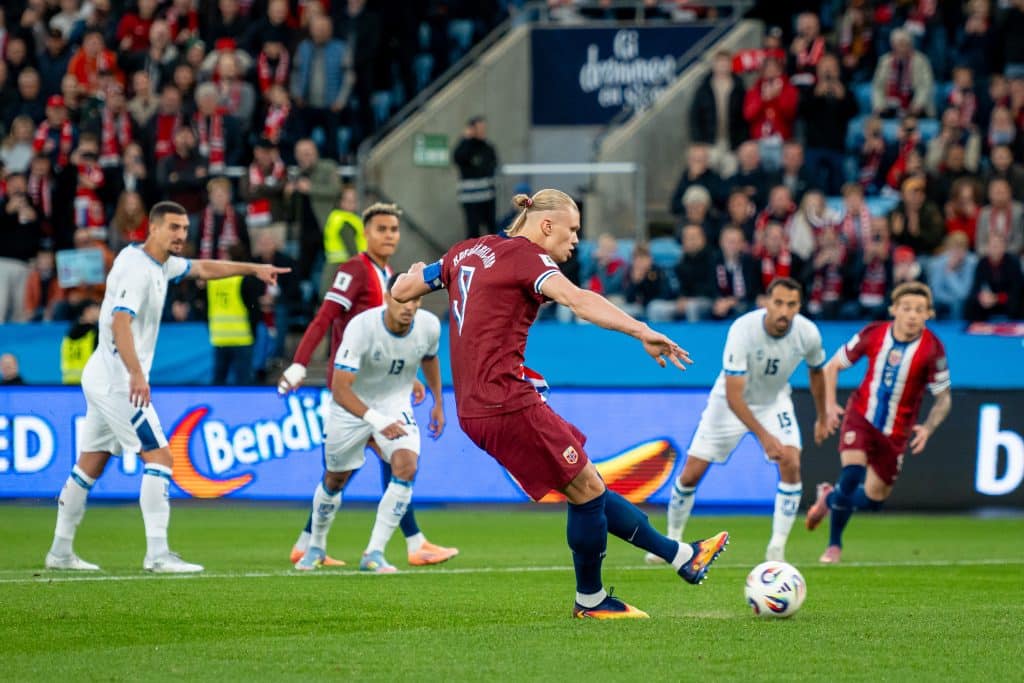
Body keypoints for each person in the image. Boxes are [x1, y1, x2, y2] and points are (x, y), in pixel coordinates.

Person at [392, 189, 729, 619]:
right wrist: (641, 329)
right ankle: (591, 600)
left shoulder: (466, 251)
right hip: (504, 401)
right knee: (586, 489)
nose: (574, 241)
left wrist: (416, 271)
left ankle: (681, 555)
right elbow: (578, 300)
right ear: (546, 225)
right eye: (572, 230)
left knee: (585, 483)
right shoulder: (529, 258)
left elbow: (403, 291)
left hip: (478, 405)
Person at [44, 201, 290, 572]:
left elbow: (204, 267)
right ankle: (157, 555)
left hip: (104, 374)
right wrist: (136, 374)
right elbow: (120, 322)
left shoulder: (160, 264)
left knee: (90, 464)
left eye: (185, 229)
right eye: (173, 227)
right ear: (153, 228)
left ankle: (60, 552)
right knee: (160, 458)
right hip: (118, 381)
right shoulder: (135, 269)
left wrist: (254, 268)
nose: (180, 235)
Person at [278, 202, 457, 568]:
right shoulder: (354, 270)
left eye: (394, 229)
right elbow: (325, 318)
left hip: (385, 385)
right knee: (351, 471)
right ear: (366, 233)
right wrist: (299, 363)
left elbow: (401, 340)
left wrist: (411, 376)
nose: (389, 235)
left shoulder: (388, 273)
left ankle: (381, 546)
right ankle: (405, 542)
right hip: (350, 389)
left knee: (397, 463)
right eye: (381, 229)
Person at [648, 278, 825, 564]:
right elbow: (734, 396)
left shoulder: (808, 333)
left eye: (791, 305)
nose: (784, 311)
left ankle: (776, 549)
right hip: (729, 404)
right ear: (766, 302)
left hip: (773, 401)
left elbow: (817, 371)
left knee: (791, 462)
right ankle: (673, 539)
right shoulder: (743, 330)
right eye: (778, 303)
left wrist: (824, 413)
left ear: (799, 307)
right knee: (691, 474)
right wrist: (765, 437)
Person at [296, 275, 444, 573]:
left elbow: (429, 357)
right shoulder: (362, 327)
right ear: (387, 298)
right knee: (335, 479)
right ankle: (315, 546)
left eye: (414, 300)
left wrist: (438, 401)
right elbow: (340, 388)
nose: (408, 306)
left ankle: (374, 553)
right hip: (350, 408)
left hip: (395, 404)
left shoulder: (429, 325)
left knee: (406, 466)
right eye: (401, 299)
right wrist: (376, 421)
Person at [807, 283, 952, 564]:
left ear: (929, 314)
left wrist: (929, 427)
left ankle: (828, 497)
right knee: (850, 475)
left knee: (874, 500)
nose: (912, 315)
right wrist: (829, 405)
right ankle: (833, 546)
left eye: (919, 310)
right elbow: (832, 366)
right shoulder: (874, 334)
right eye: (906, 308)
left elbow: (944, 397)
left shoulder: (933, 349)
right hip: (861, 416)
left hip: (896, 433)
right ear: (894, 310)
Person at [453, 115, 498, 238]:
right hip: (470, 197)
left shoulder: (487, 146)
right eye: (479, 128)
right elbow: (458, 158)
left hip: (487, 195)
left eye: (484, 128)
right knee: (473, 230)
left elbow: (492, 164)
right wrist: (466, 139)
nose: (483, 131)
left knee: (491, 228)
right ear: (472, 129)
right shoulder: (465, 145)